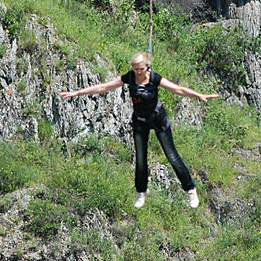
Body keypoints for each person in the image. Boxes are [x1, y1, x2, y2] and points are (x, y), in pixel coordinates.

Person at [59, 52, 219, 209]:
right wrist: (78, 93)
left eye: (141, 69)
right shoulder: (129, 77)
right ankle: (141, 191)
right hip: (140, 121)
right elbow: (104, 87)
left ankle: (190, 189)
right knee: (141, 160)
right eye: (135, 69)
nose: (138, 72)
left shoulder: (155, 78)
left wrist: (198, 95)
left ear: (147, 67)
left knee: (172, 156)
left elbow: (177, 90)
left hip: (158, 119)